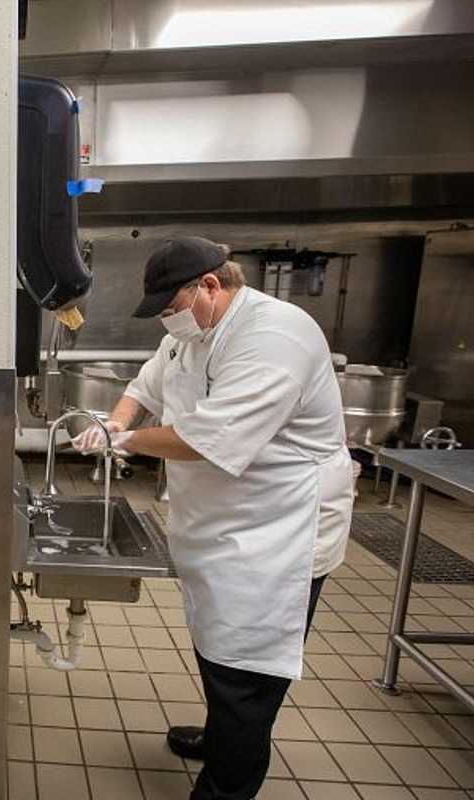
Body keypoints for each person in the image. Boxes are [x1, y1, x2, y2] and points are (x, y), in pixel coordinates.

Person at [71, 235, 354, 800]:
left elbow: (206, 440)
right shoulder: (193, 334)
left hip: (276, 533)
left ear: (210, 286)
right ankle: (220, 735)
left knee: (248, 675)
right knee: (217, 646)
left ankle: (227, 782)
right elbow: (143, 386)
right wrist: (113, 420)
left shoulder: (275, 336)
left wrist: (122, 439)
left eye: (171, 310)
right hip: (222, 525)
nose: (168, 324)